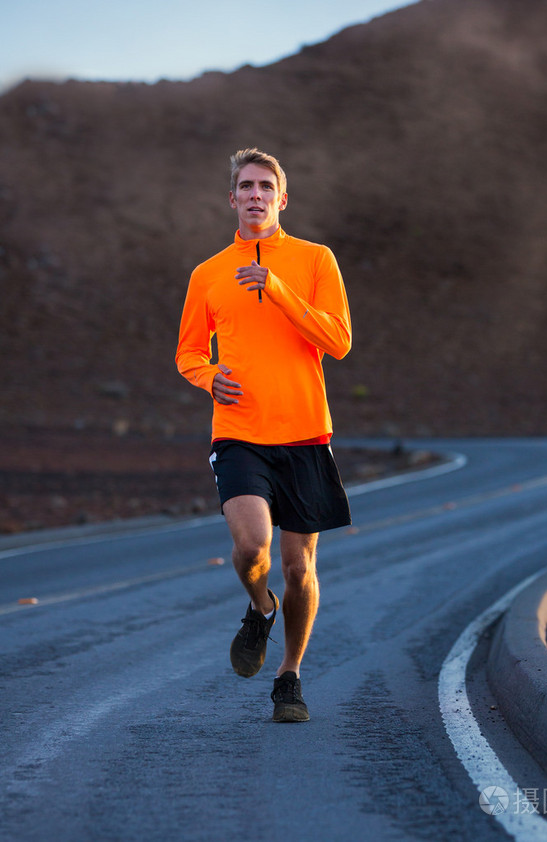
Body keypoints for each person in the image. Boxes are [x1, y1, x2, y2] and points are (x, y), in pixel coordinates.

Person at [176, 148, 352, 723]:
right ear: (232, 199)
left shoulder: (314, 259)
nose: (255, 194)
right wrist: (209, 376)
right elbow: (188, 352)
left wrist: (277, 288)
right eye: (245, 186)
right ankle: (260, 606)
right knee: (253, 547)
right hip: (239, 432)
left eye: (265, 186)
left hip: (304, 432)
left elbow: (338, 340)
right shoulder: (207, 273)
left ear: (282, 199)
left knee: (301, 567)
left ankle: (289, 676)